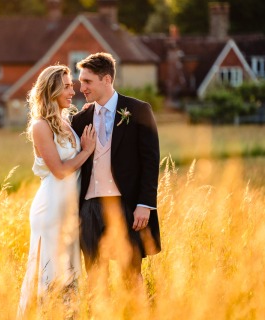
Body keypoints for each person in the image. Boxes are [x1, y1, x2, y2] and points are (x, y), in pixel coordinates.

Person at [71, 52, 161, 292]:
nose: (82, 88)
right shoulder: (79, 120)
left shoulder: (139, 110)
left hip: (126, 205)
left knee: (131, 275)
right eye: (81, 81)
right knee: (94, 278)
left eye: (88, 81)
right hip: (89, 208)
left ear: (107, 79)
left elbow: (151, 161)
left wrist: (145, 203)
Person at [17, 65, 96, 318]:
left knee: (70, 271)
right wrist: (86, 152)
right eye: (67, 86)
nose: (73, 90)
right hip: (51, 209)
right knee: (50, 271)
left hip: (69, 209)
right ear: (52, 89)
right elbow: (60, 170)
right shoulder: (40, 126)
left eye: (72, 85)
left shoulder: (65, 121)